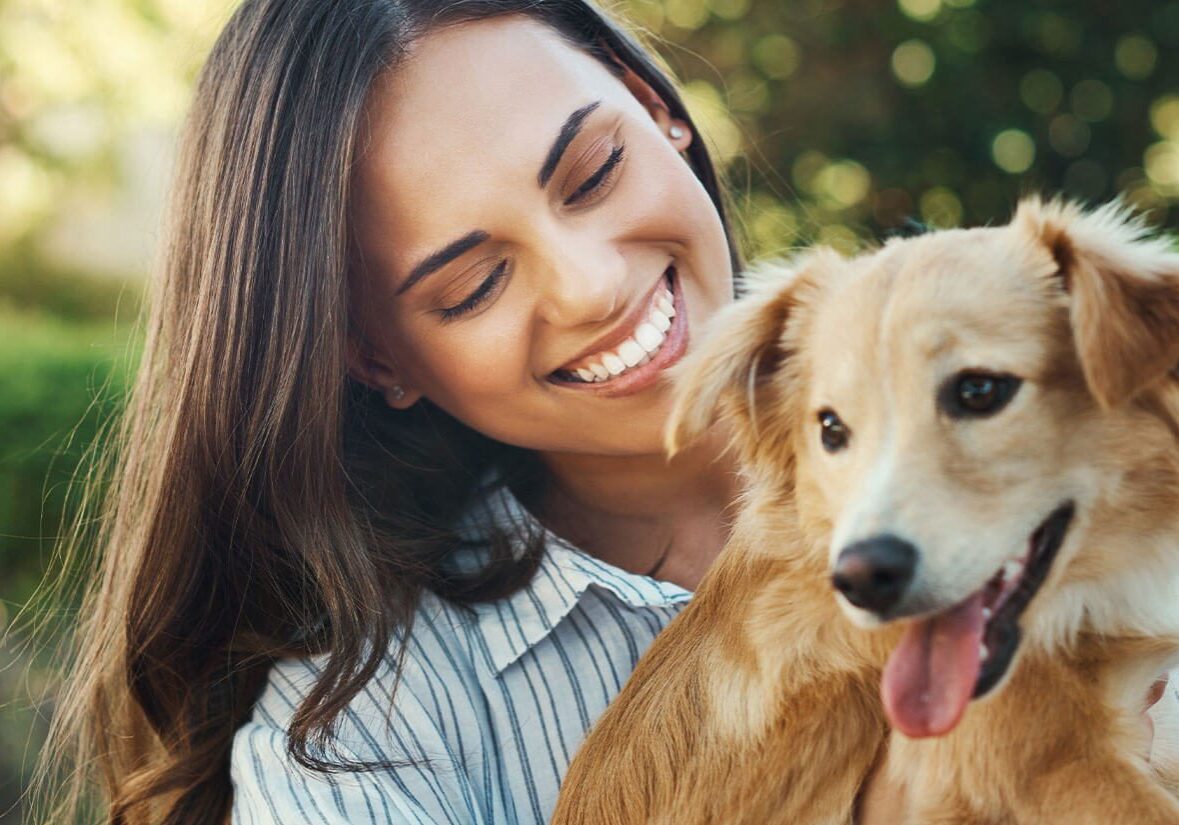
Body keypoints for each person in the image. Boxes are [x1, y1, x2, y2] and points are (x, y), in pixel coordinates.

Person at [39, 1, 1168, 824]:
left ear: (653, 108)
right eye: (470, 283)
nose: (589, 284)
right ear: (376, 360)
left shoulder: (1031, 362)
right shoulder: (367, 739)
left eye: (589, 172)